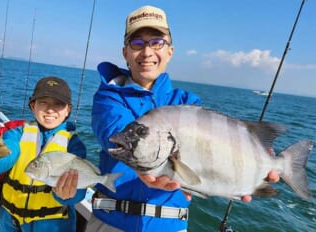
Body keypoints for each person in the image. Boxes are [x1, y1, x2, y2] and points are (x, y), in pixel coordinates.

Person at [85, 5, 280, 232]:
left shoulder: (188, 103)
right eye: (137, 43)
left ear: (170, 51)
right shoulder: (109, 96)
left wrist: (256, 154)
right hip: (111, 223)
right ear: (125, 52)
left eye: (157, 42)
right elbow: (115, 133)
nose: (147, 52)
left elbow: (213, 152)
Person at [0, 76, 87, 232]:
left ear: (68, 110)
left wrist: (68, 195)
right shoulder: (17, 134)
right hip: (10, 221)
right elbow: (7, 155)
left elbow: (80, 184)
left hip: (54, 226)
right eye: (43, 102)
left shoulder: (74, 145)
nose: (50, 109)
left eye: (58, 104)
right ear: (33, 106)